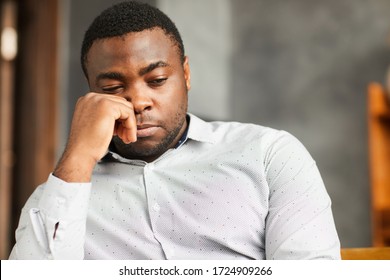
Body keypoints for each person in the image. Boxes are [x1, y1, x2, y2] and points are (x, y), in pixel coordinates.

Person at [9, 1, 340, 260]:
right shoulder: (61, 195)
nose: (138, 101)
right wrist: (78, 156)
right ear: (90, 95)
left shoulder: (269, 156)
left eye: (156, 81)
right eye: (112, 87)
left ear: (186, 75)